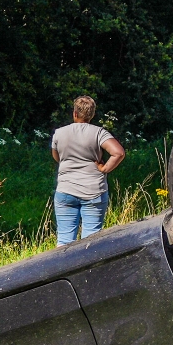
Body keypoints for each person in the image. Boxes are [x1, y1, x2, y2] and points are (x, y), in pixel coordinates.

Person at [50, 96, 125, 246]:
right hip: (94, 192)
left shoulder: (59, 133)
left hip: (66, 190)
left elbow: (56, 156)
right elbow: (118, 153)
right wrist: (104, 168)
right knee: (91, 241)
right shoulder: (99, 133)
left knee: (64, 240)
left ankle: (64, 262)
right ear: (92, 114)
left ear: (75, 113)